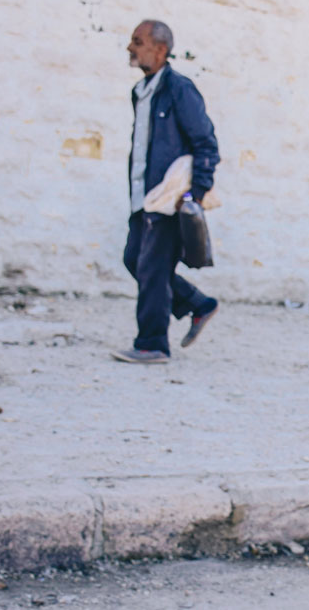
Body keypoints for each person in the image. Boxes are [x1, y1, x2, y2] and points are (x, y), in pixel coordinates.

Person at [112, 20, 221, 364]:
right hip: (143, 196)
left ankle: (152, 344)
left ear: (160, 49)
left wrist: (195, 195)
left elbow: (206, 143)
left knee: (153, 269)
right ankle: (197, 303)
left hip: (169, 199)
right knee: (134, 259)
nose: (131, 47)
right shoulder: (141, 92)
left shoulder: (179, 89)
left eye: (138, 41)